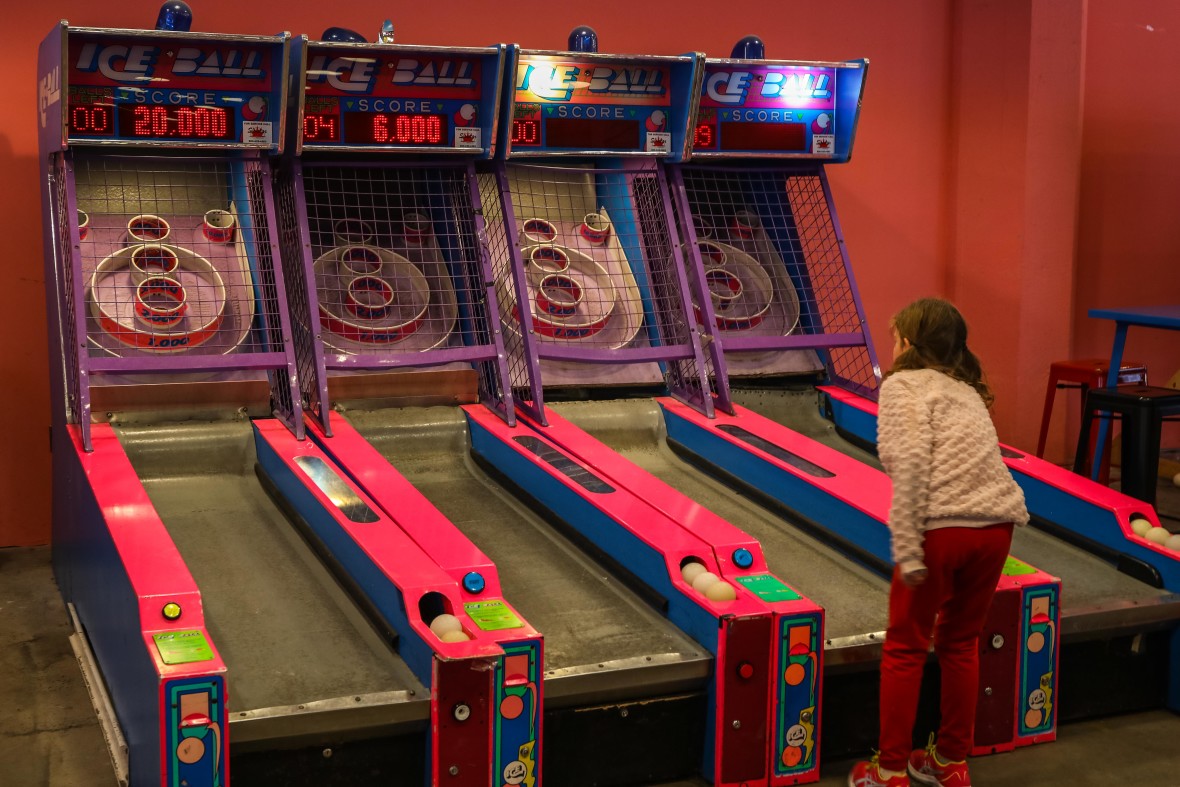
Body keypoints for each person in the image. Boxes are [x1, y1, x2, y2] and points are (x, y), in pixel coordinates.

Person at [849, 298, 1029, 787]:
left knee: (906, 647)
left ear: (906, 342)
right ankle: (949, 762)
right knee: (961, 642)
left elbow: (909, 468)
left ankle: (888, 770)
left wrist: (907, 547)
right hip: (996, 527)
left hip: (941, 528)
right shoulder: (964, 389)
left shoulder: (901, 386)